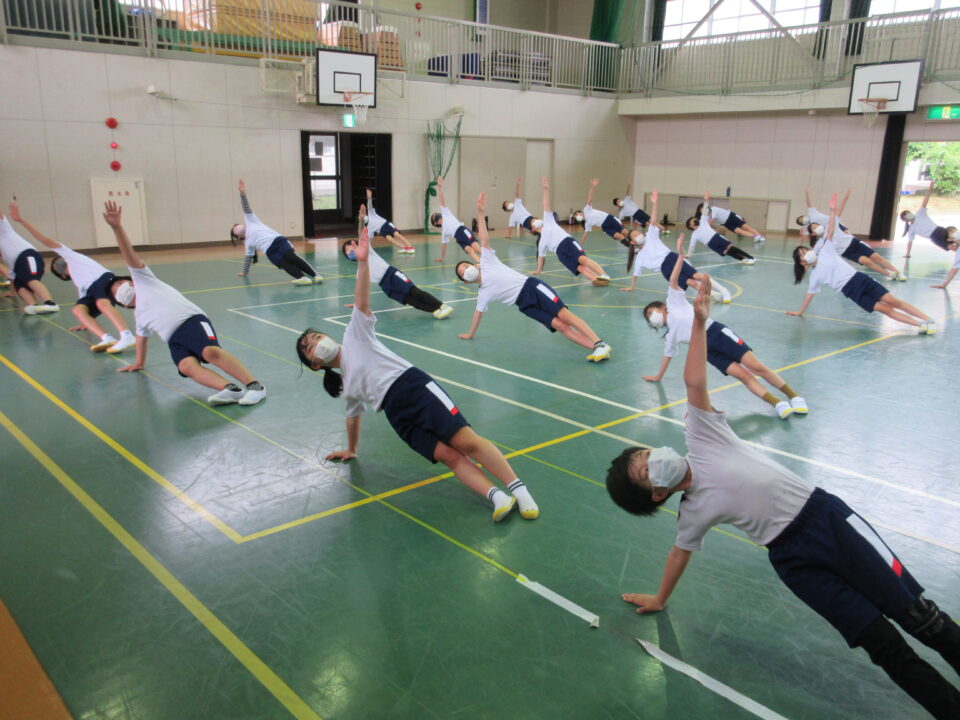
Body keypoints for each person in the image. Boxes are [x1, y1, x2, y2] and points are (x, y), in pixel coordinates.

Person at [605, 273, 960, 720]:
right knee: (882, 644)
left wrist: (699, 322)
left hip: (828, 520)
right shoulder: (691, 512)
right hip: (793, 561)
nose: (654, 456)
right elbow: (679, 554)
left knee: (920, 616)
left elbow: (694, 383)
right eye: (645, 468)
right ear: (656, 494)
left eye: (645, 453)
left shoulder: (703, 438)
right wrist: (660, 598)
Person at [295, 224, 538, 523]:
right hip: (397, 414)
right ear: (315, 365)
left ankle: (520, 490)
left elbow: (361, 301)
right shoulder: (347, 385)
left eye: (316, 337)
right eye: (310, 347)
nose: (317, 343)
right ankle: (498, 497)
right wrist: (351, 449)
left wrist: (363, 262)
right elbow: (352, 415)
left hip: (413, 387)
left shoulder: (354, 334)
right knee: (448, 456)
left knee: (466, 442)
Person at [102, 201, 267, 406]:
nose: (118, 289)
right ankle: (230, 389)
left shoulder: (144, 281)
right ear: (122, 304)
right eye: (114, 293)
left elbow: (129, 255)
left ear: (131, 281)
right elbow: (141, 339)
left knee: (210, 352)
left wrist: (117, 228)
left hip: (191, 321)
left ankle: (255, 386)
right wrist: (138, 363)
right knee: (186, 367)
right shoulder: (139, 316)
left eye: (119, 284)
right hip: (174, 340)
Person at [644, 234, 805, 419]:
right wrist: (657, 377)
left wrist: (680, 255)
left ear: (661, 308)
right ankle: (777, 403)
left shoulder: (674, 302)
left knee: (756, 366)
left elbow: (673, 279)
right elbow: (667, 356)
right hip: (706, 351)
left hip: (716, 333)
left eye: (651, 312)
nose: (652, 317)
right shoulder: (670, 335)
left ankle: (794, 396)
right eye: (649, 317)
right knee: (743, 376)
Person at [456, 192, 611, 362]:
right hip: (524, 305)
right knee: (559, 326)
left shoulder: (487, 262)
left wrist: (480, 213)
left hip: (532, 287)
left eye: (465, 266)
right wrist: (470, 334)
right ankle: (596, 349)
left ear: (473, 265)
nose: (466, 271)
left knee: (564, 315)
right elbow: (477, 315)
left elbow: (484, 239)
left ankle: (599, 343)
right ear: (466, 281)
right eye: (462, 273)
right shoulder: (482, 294)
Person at [789, 194, 935, 334]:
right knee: (885, 309)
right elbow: (810, 294)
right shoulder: (814, 275)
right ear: (802, 262)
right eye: (802, 254)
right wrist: (800, 312)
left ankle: (928, 319)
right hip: (851, 291)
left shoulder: (825, 249)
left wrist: (832, 211)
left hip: (860, 279)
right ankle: (920, 325)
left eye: (805, 250)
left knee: (893, 301)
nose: (807, 253)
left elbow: (831, 230)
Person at [8, 201, 136, 353]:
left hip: (103, 279)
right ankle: (107, 338)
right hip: (92, 290)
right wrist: (86, 321)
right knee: (78, 310)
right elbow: (86, 303)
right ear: (64, 276)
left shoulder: (71, 256)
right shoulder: (79, 282)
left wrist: (21, 220)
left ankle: (127, 335)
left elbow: (44, 239)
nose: (60, 265)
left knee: (102, 303)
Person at [619, 192, 733, 303]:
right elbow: (636, 273)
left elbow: (652, 220)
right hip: (665, 269)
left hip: (672, 258)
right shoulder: (640, 257)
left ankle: (724, 290)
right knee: (692, 283)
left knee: (697, 276)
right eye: (635, 235)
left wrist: (654, 204)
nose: (639, 235)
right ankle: (714, 294)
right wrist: (632, 286)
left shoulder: (650, 236)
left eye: (638, 233)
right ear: (633, 242)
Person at [344, 205, 452, 319]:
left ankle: (442, 306)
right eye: (347, 251)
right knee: (410, 301)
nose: (349, 250)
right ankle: (436, 310)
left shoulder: (367, 250)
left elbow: (361, 233)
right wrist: (357, 303)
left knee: (415, 292)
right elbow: (360, 291)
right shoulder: (360, 272)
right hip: (385, 286)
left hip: (391, 274)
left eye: (350, 247)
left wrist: (361, 220)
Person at [231, 180, 321, 285]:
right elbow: (248, 258)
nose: (237, 228)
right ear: (238, 237)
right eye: (235, 230)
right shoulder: (247, 243)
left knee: (291, 257)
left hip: (277, 241)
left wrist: (242, 194)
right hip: (270, 252)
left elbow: (246, 207)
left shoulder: (251, 220)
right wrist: (244, 272)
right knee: (284, 264)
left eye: (237, 226)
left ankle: (316, 275)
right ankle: (302, 278)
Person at [803, 188, 905, 281]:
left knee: (876, 257)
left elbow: (839, 211)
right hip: (847, 252)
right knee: (867, 261)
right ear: (813, 234)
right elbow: (812, 256)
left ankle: (898, 272)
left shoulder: (831, 225)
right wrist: (804, 264)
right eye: (814, 228)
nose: (817, 227)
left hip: (854, 242)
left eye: (816, 225)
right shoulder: (820, 243)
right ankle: (889, 274)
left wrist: (846, 197)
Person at [532, 177, 611, 286]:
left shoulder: (548, 220)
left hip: (567, 242)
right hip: (560, 253)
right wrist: (538, 270)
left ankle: (604, 275)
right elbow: (541, 257)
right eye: (533, 222)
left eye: (535, 219)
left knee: (582, 259)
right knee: (579, 268)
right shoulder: (541, 242)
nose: (535, 220)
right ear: (533, 229)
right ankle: (597, 280)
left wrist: (545, 189)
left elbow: (545, 204)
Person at [0, 210, 59, 315]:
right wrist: (13, 291)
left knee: (29, 278)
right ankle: (33, 305)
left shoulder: (4, 229)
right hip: (17, 265)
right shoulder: (6, 256)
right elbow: (11, 276)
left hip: (27, 255)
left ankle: (50, 303)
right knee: (19, 284)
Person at [685, 191, 756, 265]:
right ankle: (744, 259)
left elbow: (705, 208)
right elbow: (692, 246)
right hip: (711, 244)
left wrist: (706, 200)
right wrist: (688, 255)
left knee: (731, 247)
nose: (695, 220)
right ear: (691, 226)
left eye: (694, 219)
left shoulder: (703, 220)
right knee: (727, 252)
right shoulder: (694, 234)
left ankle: (750, 257)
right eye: (692, 221)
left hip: (717, 237)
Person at [579, 178, 643, 248]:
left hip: (609, 219)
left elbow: (590, 198)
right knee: (619, 236)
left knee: (625, 233)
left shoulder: (586, 210)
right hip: (605, 227)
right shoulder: (587, 224)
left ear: (580, 212)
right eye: (575, 216)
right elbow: (584, 235)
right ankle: (632, 248)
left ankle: (640, 243)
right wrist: (579, 246)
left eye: (577, 214)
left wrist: (592, 187)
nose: (577, 216)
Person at [430, 175, 480, 264]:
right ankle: (482, 264)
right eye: (435, 218)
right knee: (469, 251)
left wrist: (439, 187)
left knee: (476, 247)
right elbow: (443, 245)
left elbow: (441, 199)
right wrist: (442, 258)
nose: (437, 217)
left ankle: (491, 261)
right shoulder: (444, 231)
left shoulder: (446, 213)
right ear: (436, 223)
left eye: (437, 215)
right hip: (458, 238)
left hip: (462, 230)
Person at [901, 182, 958, 259]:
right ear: (905, 220)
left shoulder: (920, 214)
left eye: (909, 213)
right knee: (952, 247)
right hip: (934, 238)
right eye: (907, 215)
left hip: (939, 230)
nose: (909, 215)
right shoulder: (911, 229)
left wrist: (930, 190)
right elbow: (910, 242)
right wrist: (907, 254)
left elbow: (925, 201)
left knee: (956, 239)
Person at [366, 188, 415, 255]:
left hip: (386, 224)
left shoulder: (371, 213)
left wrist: (369, 198)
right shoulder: (369, 228)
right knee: (390, 240)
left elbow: (369, 206)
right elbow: (369, 239)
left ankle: (411, 247)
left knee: (397, 235)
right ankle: (404, 248)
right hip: (382, 231)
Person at [695, 199, 766, 243]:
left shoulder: (713, 209)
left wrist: (705, 227)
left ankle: (760, 236)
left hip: (731, 217)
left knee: (746, 227)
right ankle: (755, 236)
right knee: (739, 232)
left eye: (702, 209)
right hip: (726, 223)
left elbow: (710, 222)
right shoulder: (707, 216)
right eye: (701, 211)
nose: (702, 211)